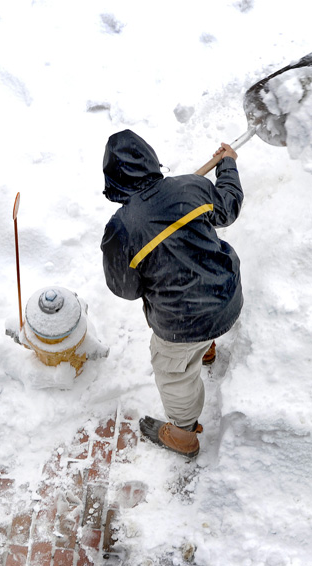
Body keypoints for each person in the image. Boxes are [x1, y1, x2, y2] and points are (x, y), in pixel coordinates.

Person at [100, 129, 244, 458]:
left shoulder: (121, 229)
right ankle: (207, 350)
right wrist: (228, 167)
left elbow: (125, 289)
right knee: (197, 292)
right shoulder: (191, 187)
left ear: (113, 180)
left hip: (182, 326)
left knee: (173, 376)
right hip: (228, 296)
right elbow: (228, 209)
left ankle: (182, 435)